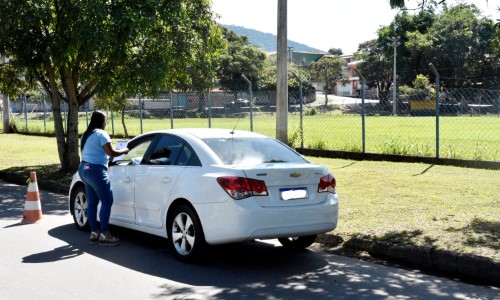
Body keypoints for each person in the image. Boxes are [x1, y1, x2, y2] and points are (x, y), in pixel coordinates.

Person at [78, 111, 129, 246]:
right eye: (106, 120)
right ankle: (105, 234)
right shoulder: (101, 134)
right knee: (107, 201)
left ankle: (94, 233)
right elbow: (111, 152)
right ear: (101, 121)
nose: (106, 122)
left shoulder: (86, 135)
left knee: (92, 202)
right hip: (96, 171)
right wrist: (124, 150)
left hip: (84, 169)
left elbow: (96, 153)